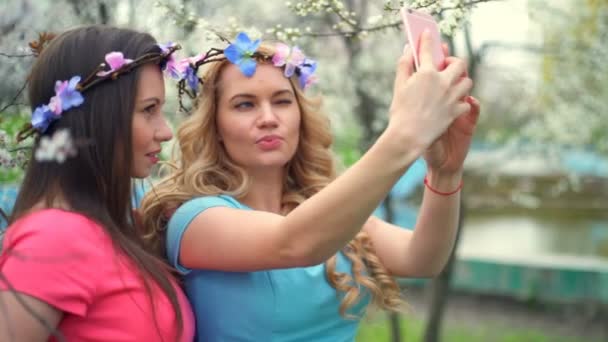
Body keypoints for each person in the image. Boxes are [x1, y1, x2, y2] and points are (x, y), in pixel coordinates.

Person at [141, 30, 479, 341]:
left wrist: (445, 173)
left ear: (300, 115)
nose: (268, 117)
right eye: (245, 104)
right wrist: (404, 135)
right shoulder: (197, 219)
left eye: (282, 101)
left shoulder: (325, 214)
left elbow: (423, 259)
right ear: (215, 126)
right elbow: (294, 243)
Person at [0, 25, 194, 341]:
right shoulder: (54, 237)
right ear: (95, 114)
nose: (165, 131)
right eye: (149, 110)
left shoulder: (113, 228)